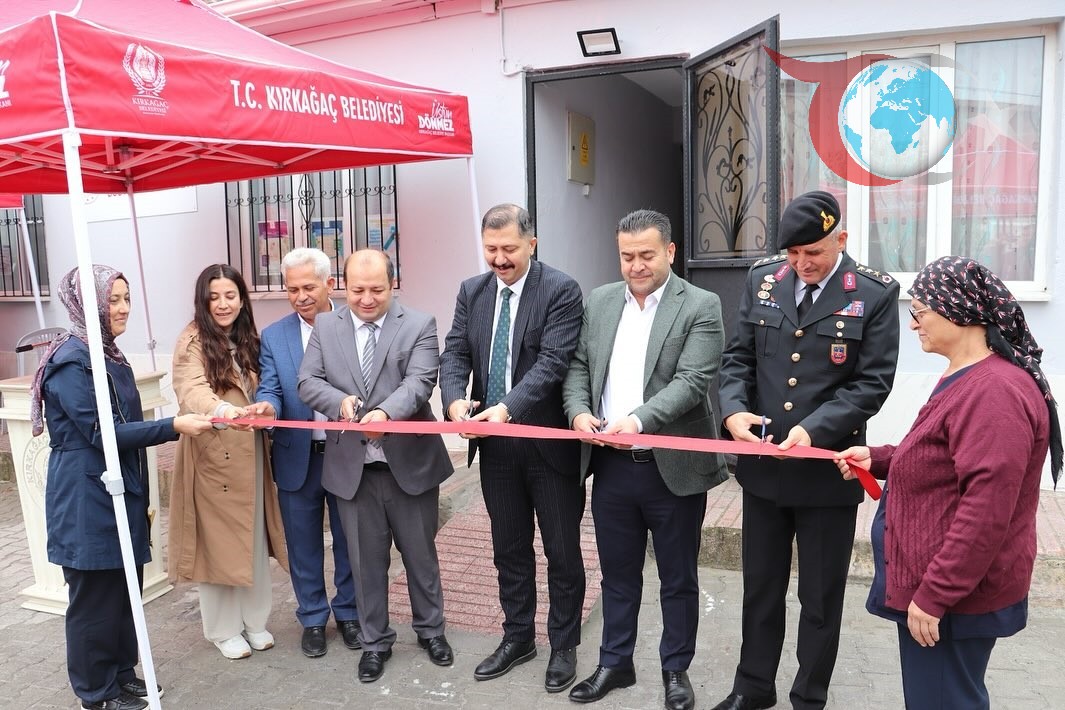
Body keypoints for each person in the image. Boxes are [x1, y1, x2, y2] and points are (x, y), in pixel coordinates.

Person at [835, 256, 1062, 710]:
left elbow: (986, 509)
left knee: (942, 700)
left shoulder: (993, 391)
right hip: (947, 591)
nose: (913, 323)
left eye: (920, 311)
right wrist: (880, 458)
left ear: (957, 311)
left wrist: (935, 595)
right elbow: (942, 453)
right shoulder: (970, 376)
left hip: (953, 599)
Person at [713, 191, 900, 710]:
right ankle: (753, 687)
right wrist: (733, 412)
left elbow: (872, 384)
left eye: (812, 252)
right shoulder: (763, 279)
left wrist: (814, 431)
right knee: (760, 588)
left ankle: (809, 697)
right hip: (765, 471)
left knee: (819, 598)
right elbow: (738, 359)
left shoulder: (874, 293)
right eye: (792, 253)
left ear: (842, 240)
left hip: (826, 474)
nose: (801, 264)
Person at [561, 209, 729, 710]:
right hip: (611, 468)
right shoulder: (600, 300)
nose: (635, 266)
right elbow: (579, 365)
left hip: (671, 468)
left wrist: (636, 421)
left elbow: (692, 381)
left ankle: (676, 670)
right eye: (626, 256)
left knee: (678, 579)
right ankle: (615, 662)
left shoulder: (700, 304)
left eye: (646, 255)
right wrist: (578, 411)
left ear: (670, 252)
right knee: (617, 575)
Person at [31, 265, 213, 710]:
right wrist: (173, 426)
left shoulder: (107, 354)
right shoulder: (72, 361)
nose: (123, 308)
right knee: (94, 597)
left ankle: (121, 673)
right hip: (85, 495)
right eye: (112, 300)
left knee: (123, 587)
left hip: (118, 487)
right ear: (86, 304)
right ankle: (95, 693)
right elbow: (103, 433)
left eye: (126, 298)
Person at [439, 203, 587, 692]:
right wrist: (455, 401)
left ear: (531, 244)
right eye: (491, 249)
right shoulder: (472, 292)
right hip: (496, 449)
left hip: (548, 447)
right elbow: (455, 351)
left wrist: (505, 407)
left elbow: (552, 364)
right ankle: (518, 636)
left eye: (509, 249)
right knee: (508, 550)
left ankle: (563, 644)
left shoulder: (560, 290)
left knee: (562, 552)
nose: (499, 259)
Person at [297, 249, 454, 684]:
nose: (366, 299)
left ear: (393, 284)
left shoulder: (419, 324)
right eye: (358, 290)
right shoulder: (326, 327)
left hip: (410, 464)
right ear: (343, 286)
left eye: (377, 290)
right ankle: (374, 642)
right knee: (365, 564)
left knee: (420, 556)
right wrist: (339, 402)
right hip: (354, 470)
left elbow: (420, 382)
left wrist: (385, 413)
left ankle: (431, 631)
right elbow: (308, 381)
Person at [169, 264, 289, 660]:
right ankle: (222, 630)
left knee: (253, 539)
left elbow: (268, 384)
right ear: (202, 301)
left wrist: (265, 406)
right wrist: (222, 410)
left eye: (230, 296)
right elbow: (191, 389)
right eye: (214, 297)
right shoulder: (192, 340)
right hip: (213, 456)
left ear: (241, 299)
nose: (222, 304)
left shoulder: (248, 338)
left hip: (251, 454)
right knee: (218, 546)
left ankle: (255, 621)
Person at [250, 248, 360, 658]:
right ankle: (313, 618)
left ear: (329, 284)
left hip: (346, 453)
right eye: (292, 289)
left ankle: (349, 613)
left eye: (308, 287)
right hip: (297, 456)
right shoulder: (274, 335)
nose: (300, 297)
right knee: (302, 544)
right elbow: (270, 386)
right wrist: (267, 407)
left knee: (350, 539)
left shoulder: (353, 325)